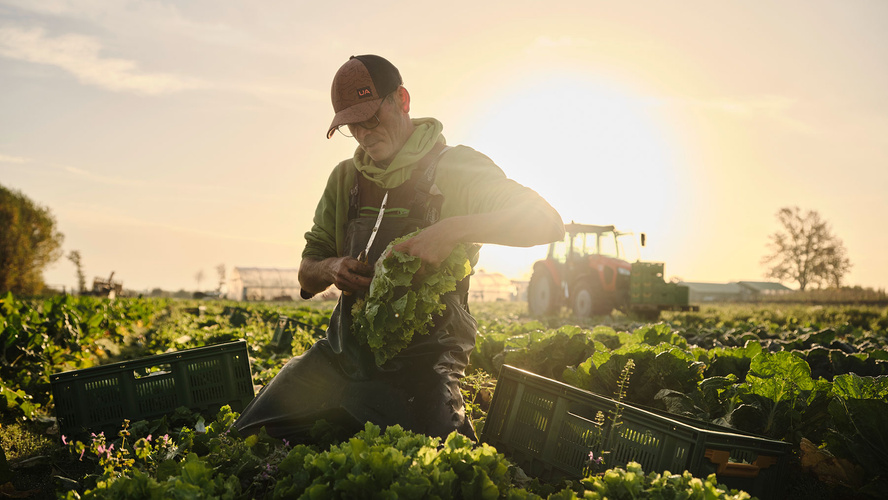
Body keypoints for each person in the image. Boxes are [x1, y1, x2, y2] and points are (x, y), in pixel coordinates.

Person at [234, 54, 564, 443]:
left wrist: (451, 230)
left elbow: (546, 221)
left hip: (424, 363)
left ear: (402, 100)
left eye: (370, 118)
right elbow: (307, 271)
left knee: (443, 461)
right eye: (351, 125)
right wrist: (332, 267)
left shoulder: (455, 167)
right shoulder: (345, 179)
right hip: (342, 355)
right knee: (248, 438)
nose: (362, 133)